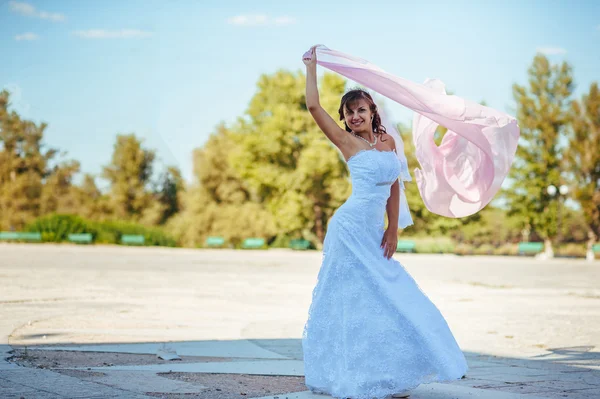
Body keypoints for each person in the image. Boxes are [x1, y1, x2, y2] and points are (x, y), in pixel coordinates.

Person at [301, 46, 469, 399]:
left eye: (361, 109)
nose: (355, 116)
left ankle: (389, 371)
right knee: (353, 299)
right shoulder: (346, 142)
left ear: (372, 110)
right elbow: (314, 107)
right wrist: (311, 67)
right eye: (349, 112)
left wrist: (392, 229)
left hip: (374, 232)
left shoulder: (388, 141)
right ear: (344, 119)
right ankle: (355, 373)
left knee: (392, 292)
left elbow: (394, 186)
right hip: (348, 229)